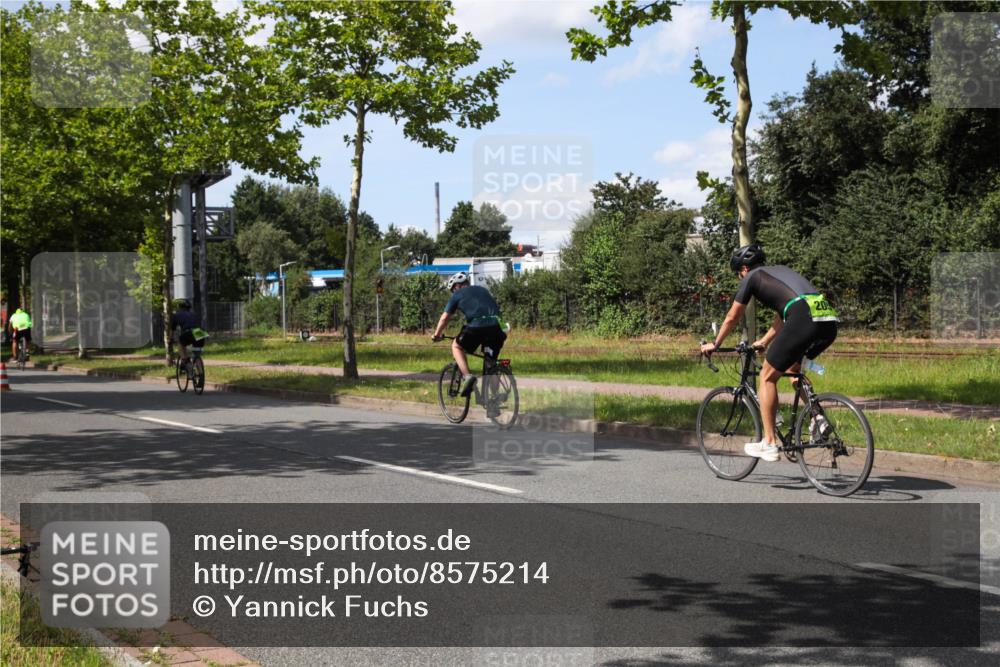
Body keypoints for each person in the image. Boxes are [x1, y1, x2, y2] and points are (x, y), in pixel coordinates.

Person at [700, 243, 838, 462]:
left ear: (743, 269)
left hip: (803, 318)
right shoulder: (781, 272)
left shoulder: (752, 277)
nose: (740, 277)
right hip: (827, 320)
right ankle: (818, 417)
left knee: (766, 376)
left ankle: (769, 442)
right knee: (794, 370)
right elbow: (785, 312)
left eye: (738, 274)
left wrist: (715, 344)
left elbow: (733, 316)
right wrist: (764, 340)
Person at [431, 272, 506, 397]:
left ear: (456, 286)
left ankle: (467, 377)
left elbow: (444, 318)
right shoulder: (483, 290)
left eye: (452, 290)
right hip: (497, 327)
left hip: (477, 326)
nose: (453, 292)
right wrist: (504, 330)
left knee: (456, 346)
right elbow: (496, 310)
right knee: (491, 362)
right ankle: (494, 400)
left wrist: (437, 334)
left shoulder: (457, 295)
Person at [170, 300, 201, 366]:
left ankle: (185, 361)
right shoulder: (194, 314)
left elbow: (172, 329)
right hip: (200, 333)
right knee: (196, 354)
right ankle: (200, 372)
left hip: (189, 332)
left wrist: (170, 339)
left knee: (180, 342)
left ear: (180, 307)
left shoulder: (177, 315)